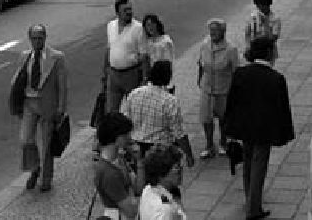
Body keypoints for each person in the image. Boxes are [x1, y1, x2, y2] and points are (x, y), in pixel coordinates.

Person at [224, 36, 295, 220]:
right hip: (264, 129)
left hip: (245, 127)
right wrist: (284, 133)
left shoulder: (241, 73)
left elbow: (232, 102)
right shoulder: (276, 78)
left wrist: (229, 128)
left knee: (248, 163)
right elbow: (282, 109)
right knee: (258, 167)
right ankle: (253, 207)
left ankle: (250, 198)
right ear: (269, 52)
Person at [9, 24, 69, 192]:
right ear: (30, 39)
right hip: (29, 102)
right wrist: (16, 103)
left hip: (47, 104)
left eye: (40, 38)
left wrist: (61, 108)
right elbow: (18, 81)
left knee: (47, 143)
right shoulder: (24, 56)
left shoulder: (57, 57)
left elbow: (62, 86)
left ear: (45, 38)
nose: (37, 41)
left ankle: (46, 178)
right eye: (34, 38)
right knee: (25, 139)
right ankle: (34, 168)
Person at [120, 60, 195, 166]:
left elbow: (125, 121)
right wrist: (189, 155)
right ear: (168, 77)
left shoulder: (134, 94)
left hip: (136, 148)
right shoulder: (170, 101)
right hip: (160, 151)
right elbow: (179, 132)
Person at [197, 18, 240, 159]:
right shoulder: (204, 45)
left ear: (223, 32)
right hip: (207, 87)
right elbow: (200, 63)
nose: (213, 33)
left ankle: (223, 142)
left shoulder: (230, 49)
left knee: (223, 118)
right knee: (206, 118)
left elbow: (236, 71)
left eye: (216, 31)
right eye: (211, 31)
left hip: (223, 88)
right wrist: (199, 80)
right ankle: (209, 145)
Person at [94, 111, 145, 219]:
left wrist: (139, 161)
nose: (130, 138)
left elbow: (138, 188)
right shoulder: (110, 174)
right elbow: (131, 211)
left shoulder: (119, 160)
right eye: (126, 134)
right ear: (117, 138)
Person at [103, 0, 149, 113]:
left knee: (134, 110)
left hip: (131, 74)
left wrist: (144, 79)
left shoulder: (138, 28)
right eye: (125, 10)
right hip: (113, 75)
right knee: (111, 111)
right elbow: (109, 49)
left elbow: (144, 55)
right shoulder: (111, 26)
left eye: (130, 9)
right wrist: (105, 72)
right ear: (117, 13)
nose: (129, 12)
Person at [139, 144, 188, 220]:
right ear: (162, 173)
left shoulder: (148, 189)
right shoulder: (164, 209)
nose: (180, 172)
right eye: (176, 168)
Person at [244, 0, 282, 65]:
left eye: (263, 5)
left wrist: (265, 23)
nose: (261, 8)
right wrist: (248, 47)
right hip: (254, 49)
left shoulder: (275, 19)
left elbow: (274, 37)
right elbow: (248, 33)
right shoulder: (253, 17)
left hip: (267, 50)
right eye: (258, 6)